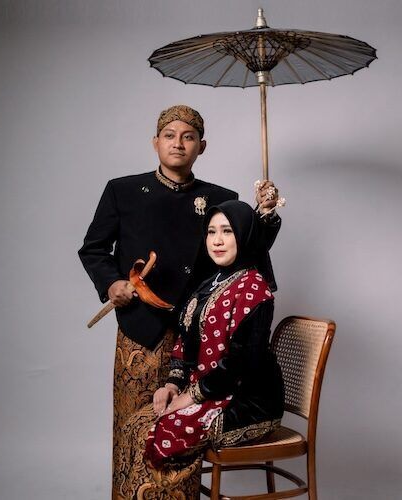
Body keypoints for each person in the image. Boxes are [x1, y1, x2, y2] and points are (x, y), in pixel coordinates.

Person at [78, 105, 282, 498]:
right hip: (141, 331)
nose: (178, 143)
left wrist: (265, 214)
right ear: (155, 142)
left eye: (188, 137)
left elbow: (247, 250)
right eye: (169, 136)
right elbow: (93, 249)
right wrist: (112, 283)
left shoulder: (220, 198)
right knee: (134, 427)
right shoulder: (122, 190)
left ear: (201, 147)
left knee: (178, 437)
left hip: (199, 332)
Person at [115, 200, 284, 498]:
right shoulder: (209, 284)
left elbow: (243, 363)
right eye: (211, 232)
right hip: (210, 390)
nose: (217, 240)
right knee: (134, 426)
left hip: (246, 401)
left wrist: (191, 396)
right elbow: (186, 343)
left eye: (227, 231)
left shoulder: (255, 289)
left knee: (158, 436)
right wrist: (172, 384)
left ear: (244, 235)